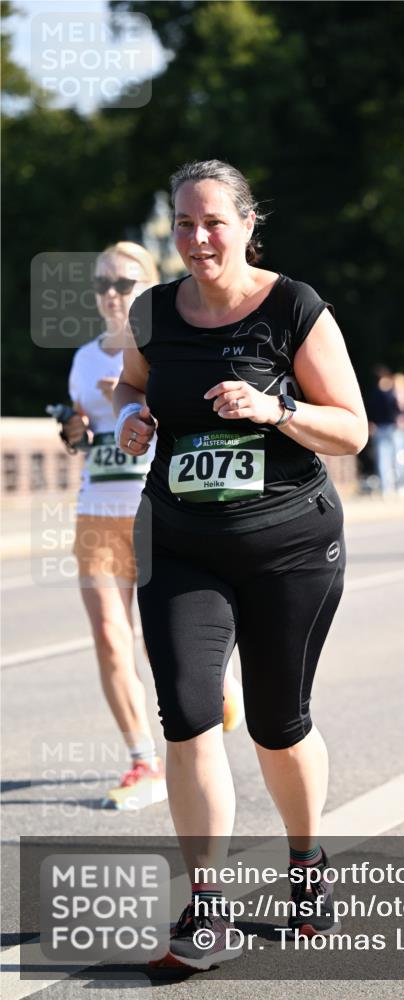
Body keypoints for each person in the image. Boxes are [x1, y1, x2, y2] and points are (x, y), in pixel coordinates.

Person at [113, 159, 368, 970]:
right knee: (186, 712)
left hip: (289, 545)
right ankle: (207, 908)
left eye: (212, 222)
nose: (195, 238)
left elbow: (352, 429)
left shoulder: (293, 307)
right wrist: (129, 421)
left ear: (248, 224)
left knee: (274, 721)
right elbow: (129, 387)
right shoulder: (153, 311)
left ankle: (305, 865)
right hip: (180, 540)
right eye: (183, 223)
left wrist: (277, 407)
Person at [60, 242, 167, 809]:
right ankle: (143, 761)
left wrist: (133, 399)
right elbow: (85, 440)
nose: (111, 294)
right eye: (104, 283)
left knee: (162, 639)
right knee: (109, 636)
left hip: (158, 509)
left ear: (148, 287)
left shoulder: (166, 347)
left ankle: (223, 686)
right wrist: (77, 428)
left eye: (124, 284)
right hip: (97, 508)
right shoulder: (83, 357)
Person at [366, 365, 400, 495]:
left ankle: (386, 487)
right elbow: (396, 410)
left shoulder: (374, 394)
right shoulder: (390, 394)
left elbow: (370, 411)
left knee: (383, 458)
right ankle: (391, 486)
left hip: (380, 427)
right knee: (391, 457)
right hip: (389, 427)